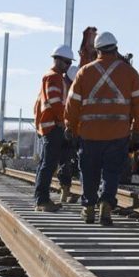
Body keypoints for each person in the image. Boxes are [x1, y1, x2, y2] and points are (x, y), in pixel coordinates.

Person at [65, 32, 139, 225]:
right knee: (112, 171)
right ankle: (106, 207)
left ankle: (89, 208)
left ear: (97, 50)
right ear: (116, 48)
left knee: (89, 170)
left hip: (89, 132)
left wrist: (70, 126)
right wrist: (138, 129)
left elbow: (72, 103)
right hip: (118, 133)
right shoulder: (129, 73)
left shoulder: (84, 72)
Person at [32, 45, 74, 212]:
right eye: (66, 61)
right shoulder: (54, 78)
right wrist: (63, 121)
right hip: (53, 126)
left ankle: (40, 199)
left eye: (70, 62)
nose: (68, 65)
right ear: (57, 59)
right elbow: (55, 102)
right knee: (48, 165)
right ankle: (42, 200)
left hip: (49, 125)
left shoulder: (52, 77)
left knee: (46, 163)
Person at [57, 65, 80, 204]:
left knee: (66, 161)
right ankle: (66, 192)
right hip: (69, 130)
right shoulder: (71, 89)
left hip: (65, 129)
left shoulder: (62, 86)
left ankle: (65, 192)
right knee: (69, 161)